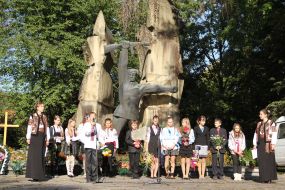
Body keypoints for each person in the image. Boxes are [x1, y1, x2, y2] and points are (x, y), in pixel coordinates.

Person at [106, 41, 177, 135]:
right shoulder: (123, 82)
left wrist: (169, 89)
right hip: (121, 113)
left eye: (133, 74)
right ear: (126, 75)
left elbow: (155, 88)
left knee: (135, 137)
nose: (131, 75)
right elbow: (122, 65)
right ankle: (111, 149)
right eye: (130, 74)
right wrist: (124, 49)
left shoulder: (140, 87)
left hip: (133, 115)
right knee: (114, 135)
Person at [26, 101, 50, 181]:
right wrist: (28, 137)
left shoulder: (44, 116)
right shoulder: (32, 116)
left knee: (41, 155)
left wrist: (47, 138)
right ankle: (34, 175)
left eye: (43, 106)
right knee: (34, 156)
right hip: (35, 137)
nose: (43, 108)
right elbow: (29, 126)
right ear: (37, 107)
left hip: (42, 136)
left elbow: (47, 127)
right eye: (41, 106)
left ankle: (40, 175)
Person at [253, 109, 278, 183]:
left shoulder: (272, 123)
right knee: (262, 161)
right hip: (260, 144)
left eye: (261, 114)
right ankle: (263, 178)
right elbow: (256, 134)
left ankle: (269, 178)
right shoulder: (259, 124)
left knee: (269, 161)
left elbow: (274, 133)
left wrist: (273, 143)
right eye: (259, 114)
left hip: (268, 144)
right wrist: (254, 144)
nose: (259, 115)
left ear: (266, 114)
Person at [79, 112, 103, 183]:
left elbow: (99, 134)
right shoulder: (86, 125)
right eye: (91, 116)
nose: (93, 118)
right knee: (88, 162)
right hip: (88, 145)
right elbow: (85, 134)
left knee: (95, 162)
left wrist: (101, 142)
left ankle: (95, 177)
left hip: (94, 145)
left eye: (94, 116)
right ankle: (88, 177)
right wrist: (91, 127)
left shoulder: (98, 125)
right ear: (89, 118)